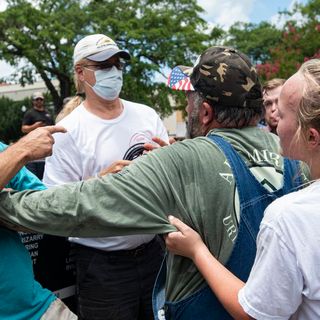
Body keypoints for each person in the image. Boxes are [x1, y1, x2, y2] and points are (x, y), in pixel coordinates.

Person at [0, 47, 309, 320]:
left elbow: (80, 205)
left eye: (189, 98)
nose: (186, 106)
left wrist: (6, 204)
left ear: (204, 112)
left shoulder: (181, 157)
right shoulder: (295, 153)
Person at [165, 59, 320, 319]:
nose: (272, 123)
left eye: (280, 116)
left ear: (312, 137)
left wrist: (196, 250)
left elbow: (253, 313)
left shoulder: (290, 217)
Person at [43, 33, 169, 320]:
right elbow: (52, 204)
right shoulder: (68, 130)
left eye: (116, 64)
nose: (112, 72)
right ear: (80, 72)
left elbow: (173, 182)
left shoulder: (147, 116)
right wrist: (99, 184)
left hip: (153, 254)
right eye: (102, 66)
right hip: (101, 267)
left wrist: (169, 162)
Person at [0, 125, 79, 319]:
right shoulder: (14, 153)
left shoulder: (3, 152)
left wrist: (96, 183)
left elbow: (49, 210)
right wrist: (23, 149)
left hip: (36, 307)